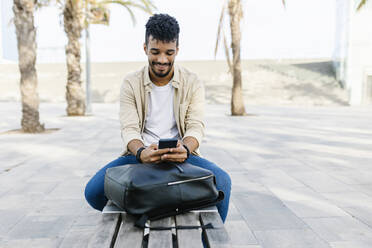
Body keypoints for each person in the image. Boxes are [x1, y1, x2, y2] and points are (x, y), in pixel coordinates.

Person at [84, 13, 231, 222]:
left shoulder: (192, 81)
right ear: (145, 48)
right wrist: (141, 152)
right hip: (140, 156)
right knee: (93, 192)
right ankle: (144, 219)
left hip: (181, 155)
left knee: (223, 182)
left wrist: (186, 149)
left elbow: (196, 126)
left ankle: (208, 242)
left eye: (169, 53)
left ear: (177, 50)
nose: (162, 60)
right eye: (155, 52)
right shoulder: (131, 83)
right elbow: (129, 129)